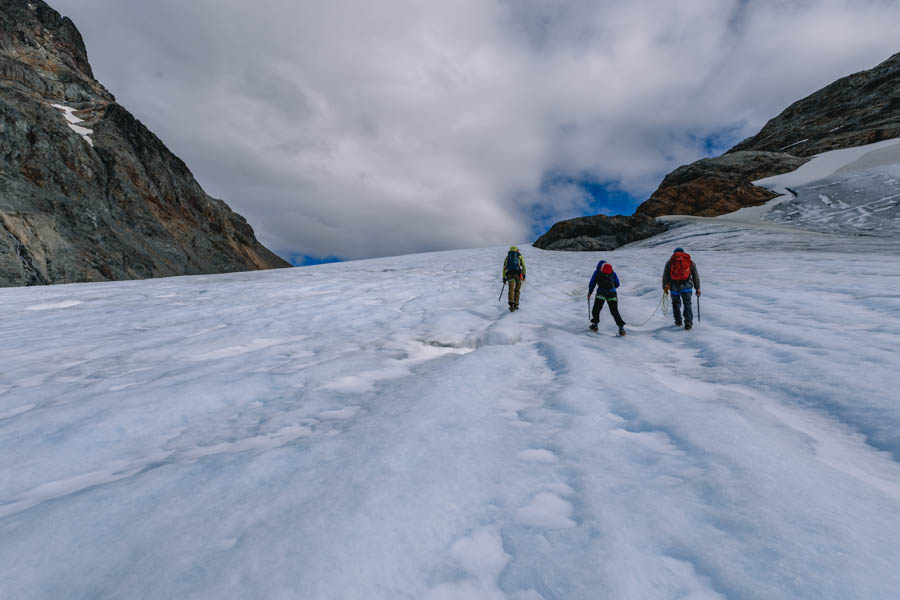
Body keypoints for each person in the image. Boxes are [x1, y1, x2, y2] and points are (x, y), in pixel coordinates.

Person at [662, 247, 700, 330]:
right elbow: (695, 276)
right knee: (687, 304)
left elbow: (665, 276)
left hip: (674, 287)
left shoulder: (669, 263)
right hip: (687, 286)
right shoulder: (690, 262)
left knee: (675, 303)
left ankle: (678, 321)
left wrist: (665, 287)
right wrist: (698, 288)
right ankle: (688, 322)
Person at [588, 260, 626, 336]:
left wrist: (590, 292)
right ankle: (621, 328)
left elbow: (592, 283)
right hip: (612, 294)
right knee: (614, 311)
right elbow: (617, 284)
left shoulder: (597, 272)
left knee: (597, 309)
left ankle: (595, 325)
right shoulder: (613, 273)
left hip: (601, 293)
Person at [502, 246, 526, 312]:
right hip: (517, 274)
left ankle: (511, 304)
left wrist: (504, 277)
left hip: (509, 275)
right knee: (517, 290)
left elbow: (504, 268)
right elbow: (523, 266)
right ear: (516, 250)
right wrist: (524, 275)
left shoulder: (507, 257)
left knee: (511, 289)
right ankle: (516, 304)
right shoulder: (519, 256)